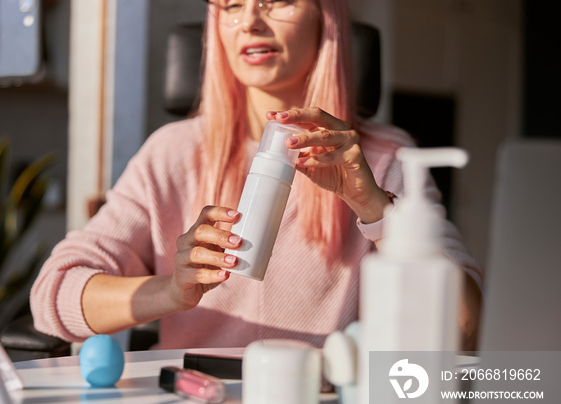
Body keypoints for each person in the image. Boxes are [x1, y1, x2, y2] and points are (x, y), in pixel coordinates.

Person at [31, 0, 483, 351]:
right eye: (230, 5)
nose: (249, 21)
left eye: (277, 1)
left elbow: (464, 329)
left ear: (326, 17)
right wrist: (172, 291)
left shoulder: (383, 159)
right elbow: (52, 297)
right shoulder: (171, 152)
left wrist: (377, 209)